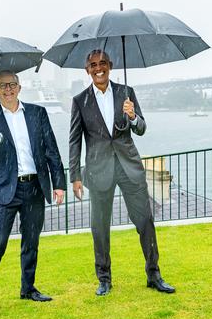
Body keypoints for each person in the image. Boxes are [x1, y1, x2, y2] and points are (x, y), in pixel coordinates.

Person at [69, 49, 175, 296]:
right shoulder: (79, 101)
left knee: (145, 221)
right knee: (100, 227)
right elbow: (74, 141)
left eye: (103, 63)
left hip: (129, 168)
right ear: (88, 70)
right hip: (98, 171)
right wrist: (75, 176)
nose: (99, 68)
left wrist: (133, 115)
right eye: (93, 65)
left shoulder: (126, 93)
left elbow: (141, 128)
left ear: (110, 66)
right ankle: (104, 279)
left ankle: (154, 274)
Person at [0, 70, 66, 319]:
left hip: (34, 187)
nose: (8, 89)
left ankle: (28, 288)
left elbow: (51, 149)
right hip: (4, 192)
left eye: (12, 84)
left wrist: (59, 183)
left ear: (20, 88)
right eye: (3, 85)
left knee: (31, 242)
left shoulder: (37, 113)